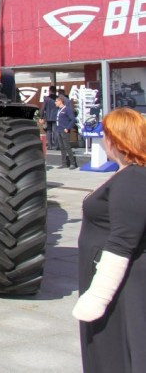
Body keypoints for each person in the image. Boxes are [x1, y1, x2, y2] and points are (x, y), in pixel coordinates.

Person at [73, 107, 146, 373]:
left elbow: (121, 244)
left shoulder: (133, 179)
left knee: (116, 350)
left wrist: (97, 297)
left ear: (116, 140)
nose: (104, 141)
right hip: (113, 279)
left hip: (121, 287)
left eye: (106, 135)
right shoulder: (128, 175)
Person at [55, 94, 78, 169]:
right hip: (59, 130)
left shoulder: (67, 109)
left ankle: (72, 163)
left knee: (67, 146)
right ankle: (64, 163)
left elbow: (73, 119)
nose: (55, 103)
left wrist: (68, 128)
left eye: (56, 101)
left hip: (65, 131)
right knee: (62, 147)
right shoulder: (58, 110)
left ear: (61, 101)